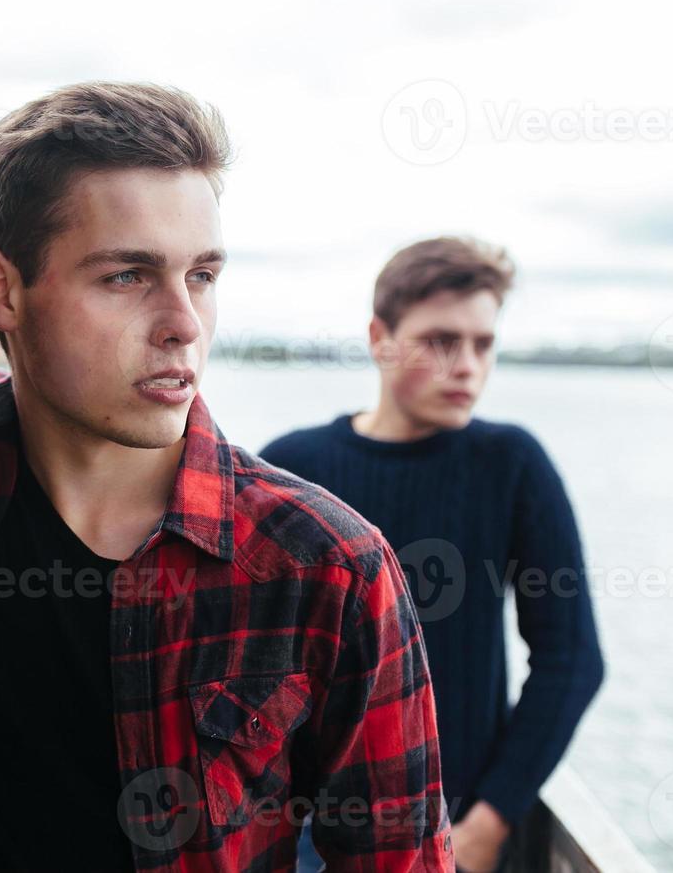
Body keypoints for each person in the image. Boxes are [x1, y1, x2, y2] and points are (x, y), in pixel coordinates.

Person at [0, 83, 453, 871]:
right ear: (1, 289)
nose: (184, 324)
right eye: (128, 276)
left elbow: (398, 858)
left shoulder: (326, 565)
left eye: (201, 275)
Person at [259, 237, 605, 873]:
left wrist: (489, 820)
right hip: (304, 831)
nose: (468, 365)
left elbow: (572, 659)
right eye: (443, 340)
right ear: (379, 338)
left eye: (483, 344)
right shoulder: (293, 467)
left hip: (457, 823)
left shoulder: (511, 465)